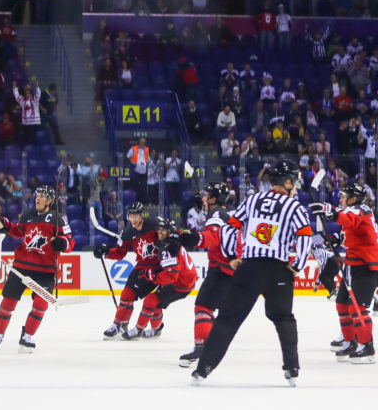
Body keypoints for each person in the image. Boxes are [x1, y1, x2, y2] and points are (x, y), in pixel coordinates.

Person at [192, 161, 312, 386]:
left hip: (249, 267)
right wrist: (298, 265)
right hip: (278, 271)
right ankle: (292, 369)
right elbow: (305, 236)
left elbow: (229, 227)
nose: (295, 186)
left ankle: (203, 369)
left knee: (227, 320)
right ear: (286, 182)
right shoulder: (294, 206)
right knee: (284, 318)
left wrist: (230, 257)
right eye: (294, 182)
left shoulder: (253, 199)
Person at [0, 186, 74, 352]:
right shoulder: (28, 214)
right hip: (21, 266)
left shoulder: (58, 218)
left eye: (42, 196)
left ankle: (27, 335)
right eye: (37, 195)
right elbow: (19, 232)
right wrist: (7, 226)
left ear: (50, 201)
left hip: (45, 270)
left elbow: (70, 242)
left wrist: (62, 243)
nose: (38, 198)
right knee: (8, 302)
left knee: (41, 304)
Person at [309, 183, 378, 364]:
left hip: (365, 266)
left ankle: (367, 347)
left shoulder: (361, 210)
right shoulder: (353, 210)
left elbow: (349, 219)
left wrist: (329, 212)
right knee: (342, 305)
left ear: (353, 199)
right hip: (352, 265)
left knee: (358, 309)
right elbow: (348, 232)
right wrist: (333, 239)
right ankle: (350, 341)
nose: (340, 199)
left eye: (344, 196)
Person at [177, 182, 236, 367]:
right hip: (232, 268)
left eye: (206, 195)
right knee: (210, 308)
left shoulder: (216, 213)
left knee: (203, 306)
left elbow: (212, 237)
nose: (202, 198)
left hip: (221, 268)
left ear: (213, 198)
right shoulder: (231, 211)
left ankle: (203, 348)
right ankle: (210, 346)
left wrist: (196, 238)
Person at [122, 219, 197, 340]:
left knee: (151, 300)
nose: (160, 232)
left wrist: (154, 277)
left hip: (181, 284)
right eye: (159, 229)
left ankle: (138, 329)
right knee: (155, 304)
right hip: (184, 280)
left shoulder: (168, 247)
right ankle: (156, 330)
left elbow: (172, 274)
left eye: (163, 230)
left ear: (170, 232)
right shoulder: (172, 241)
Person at [95, 202, 160, 339]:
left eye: (136, 216)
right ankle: (119, 324)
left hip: (158, 268)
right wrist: (106, 251)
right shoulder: (128, 232)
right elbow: (119, 253)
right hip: (141, 267)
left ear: (142, 216)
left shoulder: (154, 224)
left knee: (154, 303)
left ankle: (156, 328)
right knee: (126, 295)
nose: (133, 219)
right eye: (131, 216)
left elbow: (169, 237)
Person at [127, 137, 149, 204]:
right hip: (136, 171)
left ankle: (143, 203)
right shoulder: (134, 148)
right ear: (139, 142)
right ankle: (136, 202)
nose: (143, 144)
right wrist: (133, 162)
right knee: (136, 187)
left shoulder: (146, 149)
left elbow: (147, 159)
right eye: (142, 142)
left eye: (144, 142)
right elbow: (128, 156)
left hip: (144, 171)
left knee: (144, 188)